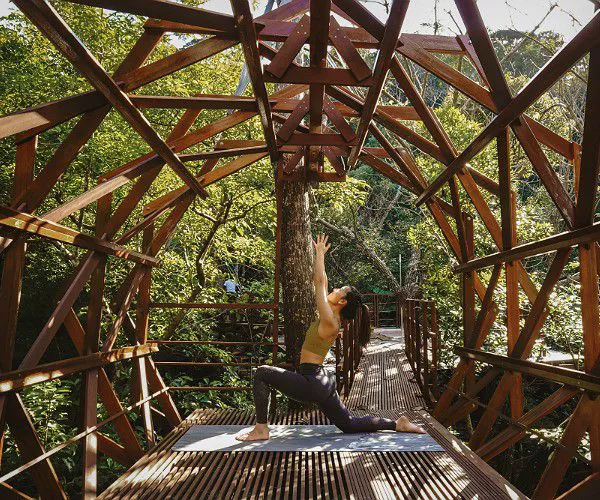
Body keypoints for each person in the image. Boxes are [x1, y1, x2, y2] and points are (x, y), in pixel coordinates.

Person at [235, 233, 425, 441]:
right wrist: (319, 255)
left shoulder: (329, 320)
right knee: (349, 423)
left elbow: (318, 283)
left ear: (342, 302)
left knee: (262, 373)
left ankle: (261, 429)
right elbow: (322, 281)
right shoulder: (332, 317)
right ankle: (397, 424)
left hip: (312, 381)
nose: (333, 289)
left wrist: (319, 256)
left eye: (339, 290)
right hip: (321, 381)